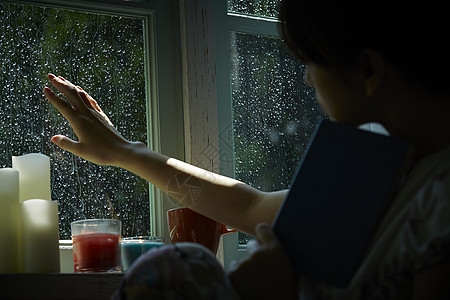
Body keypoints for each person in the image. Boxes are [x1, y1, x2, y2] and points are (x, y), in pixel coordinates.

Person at [43, 0, 450, 298]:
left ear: (367, 70)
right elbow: (249, 209)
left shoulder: (441, 199)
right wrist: (124, 152)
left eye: (309, 62)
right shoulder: (381, 167)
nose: (308, 81)